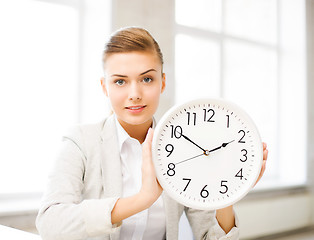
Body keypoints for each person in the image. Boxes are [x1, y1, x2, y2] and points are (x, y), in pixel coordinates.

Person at [36, 27, 268, 240]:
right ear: (104, 86)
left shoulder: (188, 147)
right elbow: (50, 224)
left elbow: (210, 237)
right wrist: (142, 199)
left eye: (147, 79)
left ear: (162, 82)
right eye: (120, 82)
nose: (135, 93)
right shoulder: (81, 142)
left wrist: (229, 195)